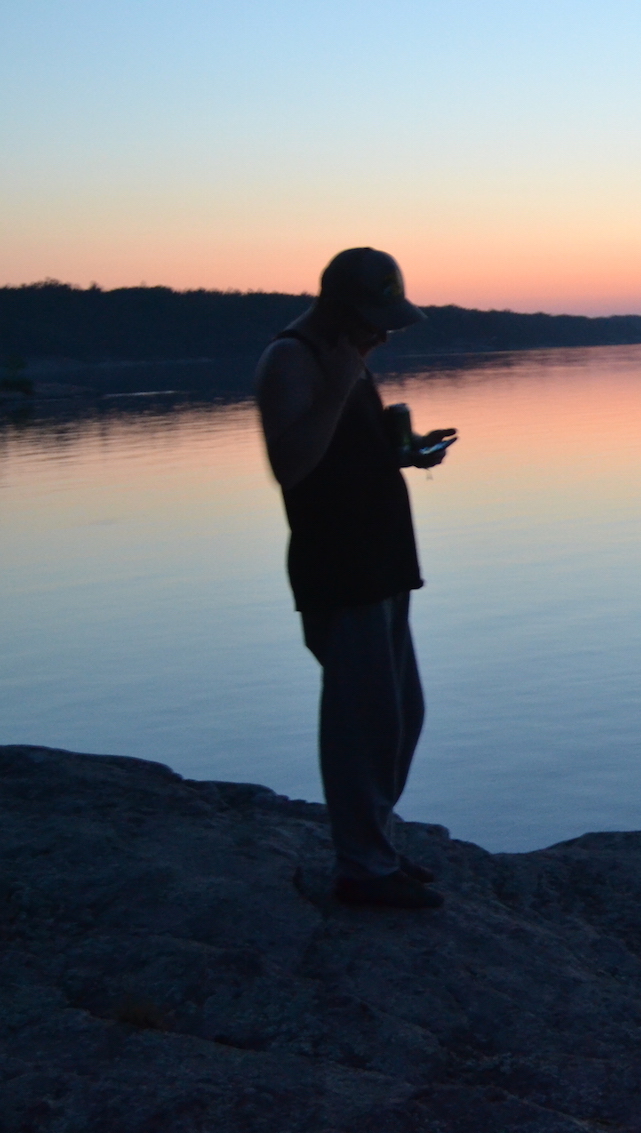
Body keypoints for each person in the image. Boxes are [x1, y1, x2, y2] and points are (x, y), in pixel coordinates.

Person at [255, 248, 456, 910]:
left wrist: (404, 452)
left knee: (401, 714)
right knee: (360, 720)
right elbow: (291, 465)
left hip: (382, 560)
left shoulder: (344, 355)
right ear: (340, 309)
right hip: (340, 567)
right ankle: (361, 867)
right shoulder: (294, 358)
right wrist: (342, 381)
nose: (385, 333)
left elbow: (341, 456)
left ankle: (375, 847)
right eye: (376, 320)